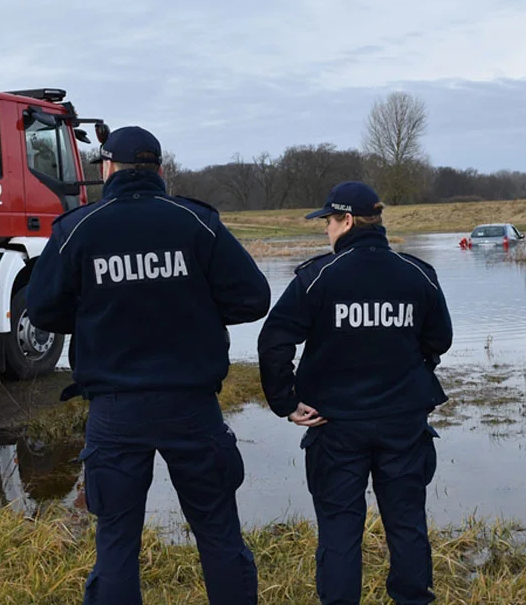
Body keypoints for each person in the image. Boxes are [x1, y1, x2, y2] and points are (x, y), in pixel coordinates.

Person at [26, 126, 271, 605]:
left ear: (107, 168)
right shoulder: (196, 222)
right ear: (158, 170)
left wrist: (98, 311)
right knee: (218, 532)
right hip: (191, 406)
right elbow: (252, 297)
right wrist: (194, 305)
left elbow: (43, 310)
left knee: (117, 542)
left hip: (116, 410)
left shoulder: (78, 227)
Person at [258, 181, 453, 605]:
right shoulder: (417, 273)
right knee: (406, 524)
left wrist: (286, 402)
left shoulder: (317, 277)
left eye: (328, 222)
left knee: (339, 528)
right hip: (403, 422)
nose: (326, 231)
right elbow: (439, 339)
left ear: (347, 220)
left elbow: (274, 340)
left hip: (335, 426)